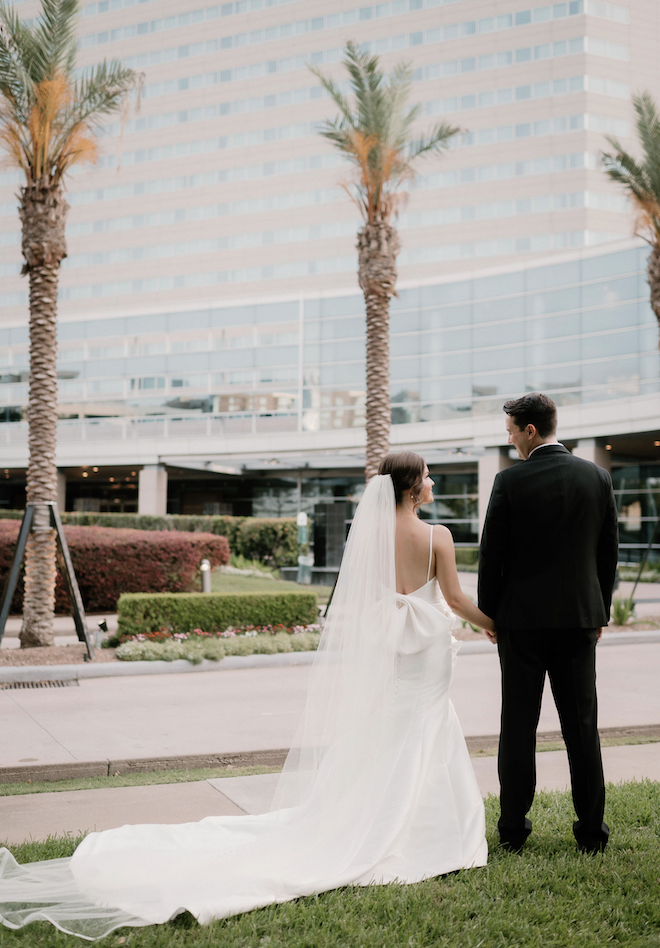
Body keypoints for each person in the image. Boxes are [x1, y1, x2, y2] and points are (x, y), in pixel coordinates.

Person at [0, 452, 492, 941]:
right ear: (411, 487)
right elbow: (452, 600)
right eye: (427, 476)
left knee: (395, 725)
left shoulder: (372, 536)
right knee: (424, 725)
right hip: (426, 650)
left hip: (398, 650)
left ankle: (383, 817)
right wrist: (494, 626)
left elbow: (376, 598)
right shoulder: (438, 536)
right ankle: (423, 834)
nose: (432, 483)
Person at [478, 393, 618, 854]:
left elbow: (491, 557)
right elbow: (607, 553)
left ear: (530, 430)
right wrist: (600, 611)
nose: (512, 440)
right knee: (582, 726)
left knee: (518, 725)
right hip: (580, 621)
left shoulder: (509, 482)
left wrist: (491, 614)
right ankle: (592, 834)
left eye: (512, 431)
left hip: (521, 624)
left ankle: (513, 832)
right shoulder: (596, 477)